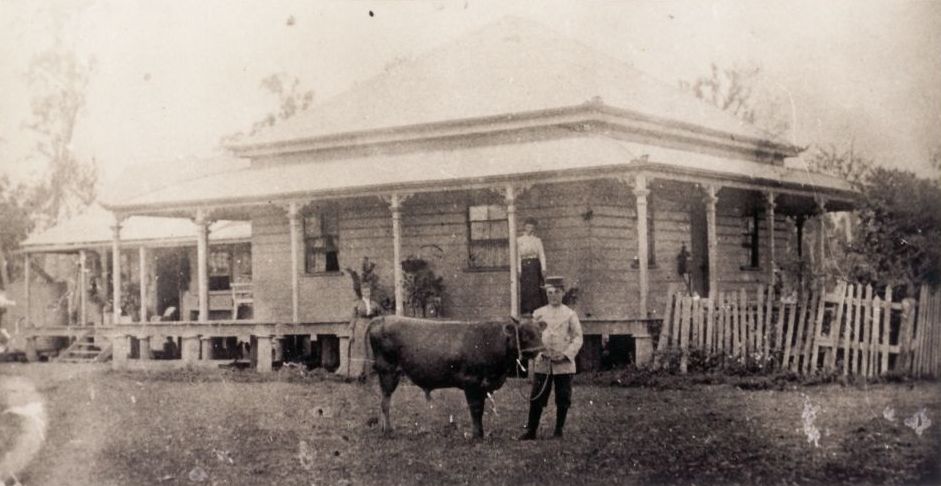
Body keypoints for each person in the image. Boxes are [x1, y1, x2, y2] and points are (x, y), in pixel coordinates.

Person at [518, 276, 583, 440]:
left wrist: (566, 354)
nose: (553, 296)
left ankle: (558, 430)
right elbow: (532, 336)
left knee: (563, 397)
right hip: (543, 361)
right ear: (546, 294)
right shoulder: (538, 313)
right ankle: (531, 431)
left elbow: (578, 337)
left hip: (563, 363)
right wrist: (539, 352)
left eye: (557, 292)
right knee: (537, 396)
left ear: (563, 293)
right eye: (550, 292)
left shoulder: (570, 314)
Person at [347, 285, 382, 379]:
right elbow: (353, 318)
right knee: (360, 347)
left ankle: (370, 371)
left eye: (368, 291)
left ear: (370, 292)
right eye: (365, 291)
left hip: (371, 325)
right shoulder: (357, 304)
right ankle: (358, 372)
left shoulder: (374, 304)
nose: (367, 293)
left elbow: (380, 316)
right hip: (360, 326)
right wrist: (351, 331)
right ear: (362, 293)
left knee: (370, 347)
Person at [518, 218, 547, 315]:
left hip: (534, 265)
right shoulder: (519, 240)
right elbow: (518, 256)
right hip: (524, 265)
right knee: (526, 288)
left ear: (534, 228)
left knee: (535, 287)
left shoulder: (537, 240)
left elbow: (541, 254)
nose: (529, 229)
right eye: (528, 227)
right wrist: (519, 270)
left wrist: (543, 268)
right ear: (524, 227)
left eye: (531, 227)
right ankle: (526, 310)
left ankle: (536, 310)